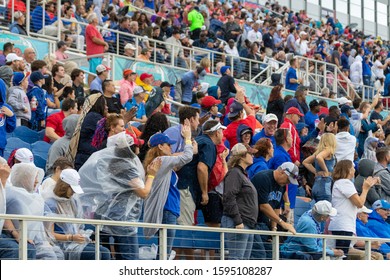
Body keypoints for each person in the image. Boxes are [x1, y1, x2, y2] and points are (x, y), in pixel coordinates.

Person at [79, 131, 161, 260]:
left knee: (108, 255)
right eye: (137, 144)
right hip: (121, 218)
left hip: (108, 214)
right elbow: (143, 192)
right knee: (129, 258)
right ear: (131, 148)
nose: (140, 147)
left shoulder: (115, 162)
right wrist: (152, 174)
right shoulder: (125, 166)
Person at [143, 123, 194, 256]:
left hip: (168, 210)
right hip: (167, 210)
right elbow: (188, 156)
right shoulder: (161, 159)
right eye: (168, 145)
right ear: (160, 146)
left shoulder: (159, 161)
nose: (171, 147)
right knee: (164, 254)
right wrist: (187, 138)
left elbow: (177, 164)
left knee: (163, 253)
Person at [44, 168, 111, 260]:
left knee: (105, 251)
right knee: (94, 254)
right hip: (61, 245)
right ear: (64, 186)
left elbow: (79, 227)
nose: (74, 192)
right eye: (72, 189)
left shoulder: (73, 201)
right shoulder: (50, 204)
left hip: (75, 242)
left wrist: (83, 237)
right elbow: (49, 235)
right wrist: (70, 237)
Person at [328, 160, 379, 255]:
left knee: (341, 255)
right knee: (341, 256)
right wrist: (365, 188)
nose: (354, 170)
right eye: (352, 168)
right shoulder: (345, 183)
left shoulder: (340, 183)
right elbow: (359, 203)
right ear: (348, 170)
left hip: (342, 224)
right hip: (343, 225)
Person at [250, 162, 297, 260]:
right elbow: (263, 205)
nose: (287, 183)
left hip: (265, 225)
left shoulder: (282, 185)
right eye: (288, 180)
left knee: (272, 255)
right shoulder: (263, 178)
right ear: (283, 172)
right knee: (259, 256)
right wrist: (282, 223)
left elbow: (276, 207)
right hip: (253, 223)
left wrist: (273, 229)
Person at [221, 143, 258, 260]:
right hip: (239, 223)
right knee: (237, 261)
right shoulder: (234, 173)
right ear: (242, 156)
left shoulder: (240, 174)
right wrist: (238, 221)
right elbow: (229, 196)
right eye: (250, 153)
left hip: (246, 223)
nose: (252, 155)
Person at [69, 93, 107, 170]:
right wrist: (124, 120)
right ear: (99, 105)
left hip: (86, 158)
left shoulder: (92, 116)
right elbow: (109, 133)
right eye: (105, 105)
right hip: (86, 160)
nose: (107, 107)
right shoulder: (94, 117)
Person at [303, 133, 337, 202]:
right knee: (325, 210)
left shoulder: (318, 152)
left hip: (316, 185)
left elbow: (305, 162)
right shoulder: (328, 149)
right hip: (324, 186)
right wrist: (326, 170)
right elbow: (319, 157)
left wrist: (316, 171)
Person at [85, 13, 109, 85]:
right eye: (97, 18)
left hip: (98, 55)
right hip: (94, 54)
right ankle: (89, 86)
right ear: (93, 19)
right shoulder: (90, 27)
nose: (98, 19)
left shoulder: (94, 28)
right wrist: (104, 43)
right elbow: (94, 39)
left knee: (97, 72)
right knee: (93, 72)